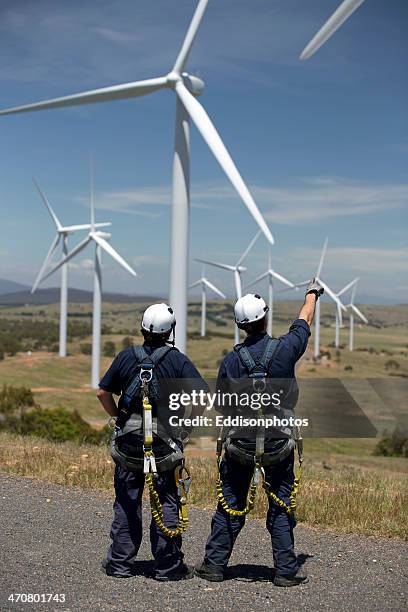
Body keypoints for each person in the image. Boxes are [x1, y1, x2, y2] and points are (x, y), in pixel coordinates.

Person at [195, 280, 323, 587]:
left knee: (231, 501)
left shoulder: (230, 361)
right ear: (265, 319)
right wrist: (312, 294)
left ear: (241, 325)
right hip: (280, 441)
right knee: (280, 504)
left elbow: (224, 405)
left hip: (240, 442)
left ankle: (214, 566)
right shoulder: (286, 349)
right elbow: (304, 319)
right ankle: (285, 571)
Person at [97, 303, 207, 581]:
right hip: (165, 445)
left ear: (142, 328)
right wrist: (186, 426)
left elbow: (102, 393)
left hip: (128, 444)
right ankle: (167, 567)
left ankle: (120, 564)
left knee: (126, 502)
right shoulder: (177, 360)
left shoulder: (125, 356)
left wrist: (118, 418)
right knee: (167, 500)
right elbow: (203, 397)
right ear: (170, 330)